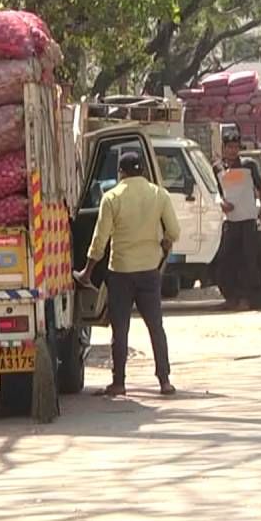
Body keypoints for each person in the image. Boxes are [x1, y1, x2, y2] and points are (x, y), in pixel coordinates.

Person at [74, 152, 180, 397]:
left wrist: (87, 271)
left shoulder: (111, 197)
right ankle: (164, 381)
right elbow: (174, 230)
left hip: (120, 271)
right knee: (156, 327)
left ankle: (119, 382)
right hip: (149, 271)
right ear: (142, 170)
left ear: (120, 172)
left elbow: (100, 239)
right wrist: (165, 243)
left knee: (120, 329)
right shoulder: (158, 194)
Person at [215, 135, 261, 311]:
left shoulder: (249, 165)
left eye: (235, 147)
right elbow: (215, 192)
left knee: (249, 260)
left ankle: (246, 298)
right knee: (226, 260)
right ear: (224, 148)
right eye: (229, 147)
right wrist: (221, 203)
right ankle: (230, 297)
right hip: (230, 221)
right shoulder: (217, 168)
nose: (232, 150)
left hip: (248, 220)